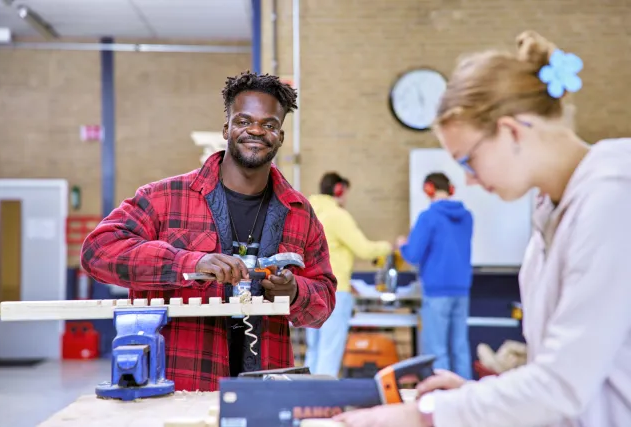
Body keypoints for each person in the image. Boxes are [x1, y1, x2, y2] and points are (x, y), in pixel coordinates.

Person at [335, 30, 631, 426]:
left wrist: (420, 416)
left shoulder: (613, 198)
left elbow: (562, 387)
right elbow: (561, 369)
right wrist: (475, 396)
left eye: (469, 161)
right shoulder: (549, 210)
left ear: (511, 131)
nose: (470, 180)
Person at [81, 71, 337, 392]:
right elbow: (97, 252)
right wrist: (189, 263)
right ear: (226, 128)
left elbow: (324, 301)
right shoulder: (164, 198)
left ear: (280, 136)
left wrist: (295, 292)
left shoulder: (298, 212)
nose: (256, 130)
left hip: (264, 390)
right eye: (244, 121)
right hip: (178, 388)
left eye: (269, 124)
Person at [305, 172, 393, 377]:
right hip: (334, 291)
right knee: (330, 350)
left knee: (314, 350)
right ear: (339, 190)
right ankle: (324, 403)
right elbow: (364, 249)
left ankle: (306, 398)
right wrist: (387, 247)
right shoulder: (337, 216)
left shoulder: (309, 213)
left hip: (310, 291)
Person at [396, 172, 473, 380]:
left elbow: (413, 255)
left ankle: (442, 399)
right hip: (462, 288)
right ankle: (465, 396)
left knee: (437, 351)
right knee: (460, 347)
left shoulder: (428, 217)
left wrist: (403, 244)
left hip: (437, 290)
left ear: (429, 189)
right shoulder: (467, 217)